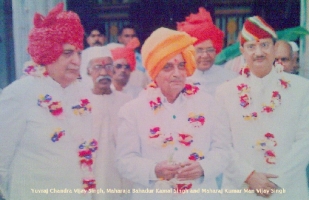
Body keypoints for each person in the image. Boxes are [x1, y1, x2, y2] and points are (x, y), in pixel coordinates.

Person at [116, 27, 231, 200]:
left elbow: (223, 151)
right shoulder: (133, 110)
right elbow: (124, 161)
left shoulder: (209, 104)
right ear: (155, 72)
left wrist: (203, 167)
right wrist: (154, 170)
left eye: (181, 65)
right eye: (168, 67)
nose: (177, 74)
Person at [0, 3, 97, 200]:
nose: (77, 61)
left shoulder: (82, 94)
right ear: (47, 53)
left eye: (79, 53)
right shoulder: (19, 94)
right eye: (67, 53)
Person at [216, 16, 309, 200]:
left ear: (275, 48)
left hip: (287, 190)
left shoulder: (302, 89)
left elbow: (305, 142)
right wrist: (249, 176)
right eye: (251, 46)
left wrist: (276, 181)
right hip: (241, 189)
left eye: (265, 45)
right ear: (242, 51)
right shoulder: (225, 92)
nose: (258, 52)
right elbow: (221, 145)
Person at [83, 46, 133, 200]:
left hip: (119, 173)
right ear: (88, 71)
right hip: (90, 171)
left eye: (108, 67)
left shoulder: (126, 101)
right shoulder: (80, 103)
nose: (104, 73)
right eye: (98, 67)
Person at [177, 7, 238, 96]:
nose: (205, 55)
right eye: (199, 50)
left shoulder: (231, 78)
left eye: (210, 50)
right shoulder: (179, 80)